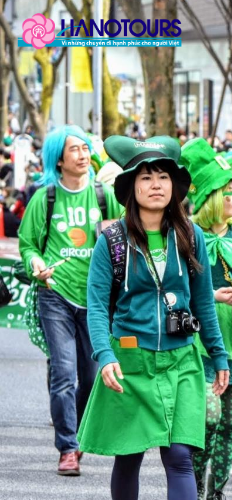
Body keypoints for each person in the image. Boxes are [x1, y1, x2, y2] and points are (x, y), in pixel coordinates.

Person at [77, 136, 229, 500]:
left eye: (162, 177)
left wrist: (219, 353)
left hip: (183, 360)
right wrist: (104, 354)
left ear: (174, 187)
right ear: (131, 188)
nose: (156, 185)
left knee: (179, 456)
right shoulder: (111, 240)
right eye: (145, 178)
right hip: (130, 360)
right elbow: (97, 305)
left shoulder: (191, 235)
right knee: (128, 456)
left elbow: (203, 302)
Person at [17, 125, 123, 476]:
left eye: (84, 148)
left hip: (94, 299)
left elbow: (119, 240)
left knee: (92, 379)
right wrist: (36, 264)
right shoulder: (44, 197)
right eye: (74, 149)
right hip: (55, 296)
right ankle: (68, 447)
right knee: (63, 373)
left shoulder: (104, 195)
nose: (82, 154)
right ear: (58, 160)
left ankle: (75, 431)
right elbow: (29, 243)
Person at [180, 139, 232, 498]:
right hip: (200, 344)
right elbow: (171, 290)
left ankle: (216, 493)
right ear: (210, 197)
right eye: (227, 191)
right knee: (208, 418)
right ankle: (195, 489)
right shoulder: (185, 235)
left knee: (230, 424)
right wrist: (212, 296)